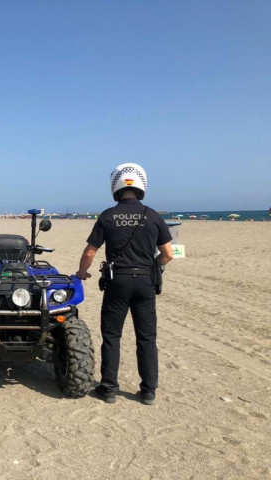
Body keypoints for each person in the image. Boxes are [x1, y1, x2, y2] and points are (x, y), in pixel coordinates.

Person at [76, 163, 173, 405]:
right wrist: (157, 266)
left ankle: (108, 388)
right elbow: (168, 253)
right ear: (142, 186)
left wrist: (82, 272)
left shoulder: (108, 215)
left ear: (115, 187)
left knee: (112, 336)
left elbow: (90, 252)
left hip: (117, 281)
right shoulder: (152, 215)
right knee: (146, 338)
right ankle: (148, 390)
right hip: (145, 281)